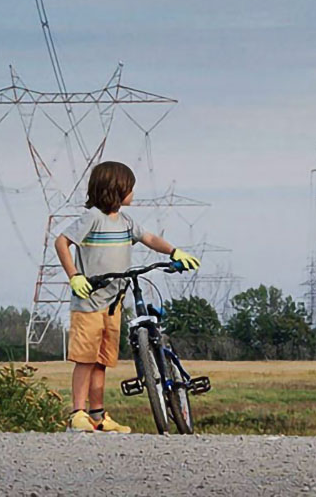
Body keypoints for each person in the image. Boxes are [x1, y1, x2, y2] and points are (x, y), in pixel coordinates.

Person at [55, 161, 200, 433]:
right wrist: (74, 275)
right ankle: (77, 414)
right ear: (116, 188)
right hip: (89, 303)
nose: (133, 192)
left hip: (113, 304)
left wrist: (174, 252)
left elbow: (149, 238)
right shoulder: (93, 218)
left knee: (101, 361)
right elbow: (61, 241)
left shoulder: (125, 221)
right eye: (130, 187)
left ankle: (98, 416)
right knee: (85, 359)